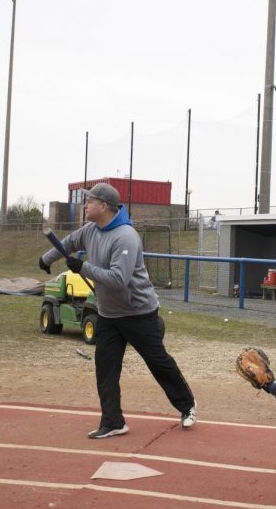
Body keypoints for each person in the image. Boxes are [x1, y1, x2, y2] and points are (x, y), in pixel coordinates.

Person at [38, 183, 196, 439]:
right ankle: (113, 421)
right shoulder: (90, 230)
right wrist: (47, 258)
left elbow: (118, 278)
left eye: (89, 201)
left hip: (138, 313)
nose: (85, 205)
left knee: (158, 362)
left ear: (103, 206)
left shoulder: (125, 236)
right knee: (106, 368)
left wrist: (83, 268)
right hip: (109, 314)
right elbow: (67, 243)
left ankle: (187, 405)